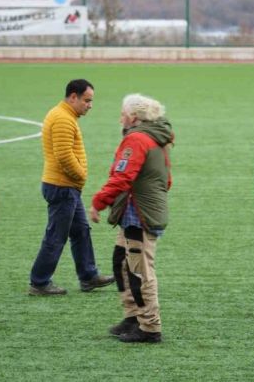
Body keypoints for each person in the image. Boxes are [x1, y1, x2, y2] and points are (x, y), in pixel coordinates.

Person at [89, 94, 174, 343]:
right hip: (136, 211)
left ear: (134, 117)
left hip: (138, 215)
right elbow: (166, 180)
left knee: (139, 271)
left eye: (123, 114)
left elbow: (122, 177)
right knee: (122, 262)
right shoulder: (156, 138)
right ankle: (133, 317)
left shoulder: (137, 139)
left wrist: (98, 202)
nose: (120, 118)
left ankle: (149, 327)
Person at [28, 79, 114, 295]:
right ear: (73, 97)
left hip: (65, 187)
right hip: (62, 187)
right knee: (56, 235)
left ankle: (88, 276)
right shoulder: (63, 119)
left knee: (81, 231)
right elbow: (64, 155)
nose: (90, 105)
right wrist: (81, 175)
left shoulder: (64, 115)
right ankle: (39, 282)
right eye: (87, 100)